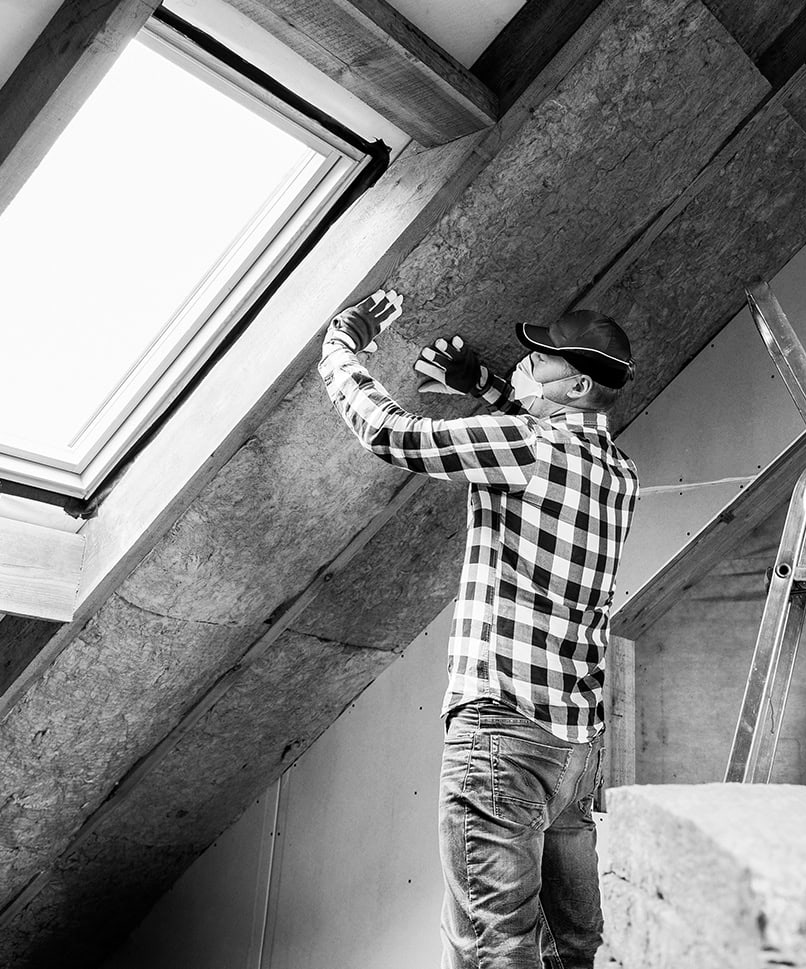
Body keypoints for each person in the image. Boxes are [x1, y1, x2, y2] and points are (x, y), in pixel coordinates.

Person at [318, 289, 639, 969]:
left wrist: (341, 347)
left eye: (537, 359)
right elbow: (543, 440)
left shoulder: (523, 442)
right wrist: (482, 384)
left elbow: (391, 433)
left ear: (577, 385)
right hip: (575, 754)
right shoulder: (619, 472)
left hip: (502, 735)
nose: (522, 362)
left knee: (495, 947)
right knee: (572, 949)